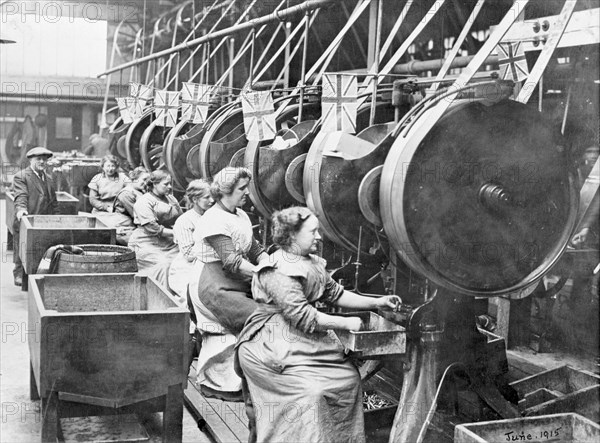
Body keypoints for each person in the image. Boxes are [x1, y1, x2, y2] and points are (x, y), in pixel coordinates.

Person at [236, 206, 402, 443]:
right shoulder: (277, 269)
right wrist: (345, 322)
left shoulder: (312, 262)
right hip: (271, 342)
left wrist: (378, 302)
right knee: (310, 395)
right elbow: (303, 316)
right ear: (292, 235)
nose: (319, 236)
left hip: (304, 340)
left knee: (348, 380)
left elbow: (336, 294)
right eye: (313, 231)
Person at [189, 167, 267, 401]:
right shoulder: (213, 219)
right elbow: (232, 261)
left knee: (268, 311)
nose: (247, 193)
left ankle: (253, 377)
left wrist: (267, 261)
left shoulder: (240, 215)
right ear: (225, 191)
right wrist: (263, 273)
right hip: (212, 285)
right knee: (258, 317)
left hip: (233, 280)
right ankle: (229, 382)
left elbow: (253, 248)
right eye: (242, 189)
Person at [11, 147, 58, 286]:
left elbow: (54, 202)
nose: (42, 162)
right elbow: (21, 196)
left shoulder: (49, 178)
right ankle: (18, 273)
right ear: (31, 160)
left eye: (44, 159)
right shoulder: (21, 176)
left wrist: (58, 217)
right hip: (28, 219)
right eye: (38, 159)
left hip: (44, 221)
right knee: (22, 246)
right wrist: (21, 210)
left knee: (40, 248)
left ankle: (38, 275)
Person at [128, 170, 183, 274]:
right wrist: (177, 232)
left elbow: (181, 219)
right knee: (164, 264)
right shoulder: (144, 202)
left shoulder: (171, 199)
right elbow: (153, 229)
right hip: (146, 242)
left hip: (169, 241)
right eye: (166, 184)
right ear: (154, 184)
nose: (170, 187)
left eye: (170, 184)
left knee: (186, 259)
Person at [168, 179, 214, 300]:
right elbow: (188, 254)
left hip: (211, 264)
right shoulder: (185, 221)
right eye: (207, 198)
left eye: (212, 197)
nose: (212, 201)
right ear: (195, 199)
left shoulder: (212, 216)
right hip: (188, 268)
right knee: (195, 298)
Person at [105, 166, 150, 245]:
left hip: (133, 225)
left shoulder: (139, 191)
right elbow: (138, 215)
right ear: (134, 178)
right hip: (124, 229)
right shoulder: (126, 193)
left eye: (147, 180)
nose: (146, 183)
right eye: (144, 179)